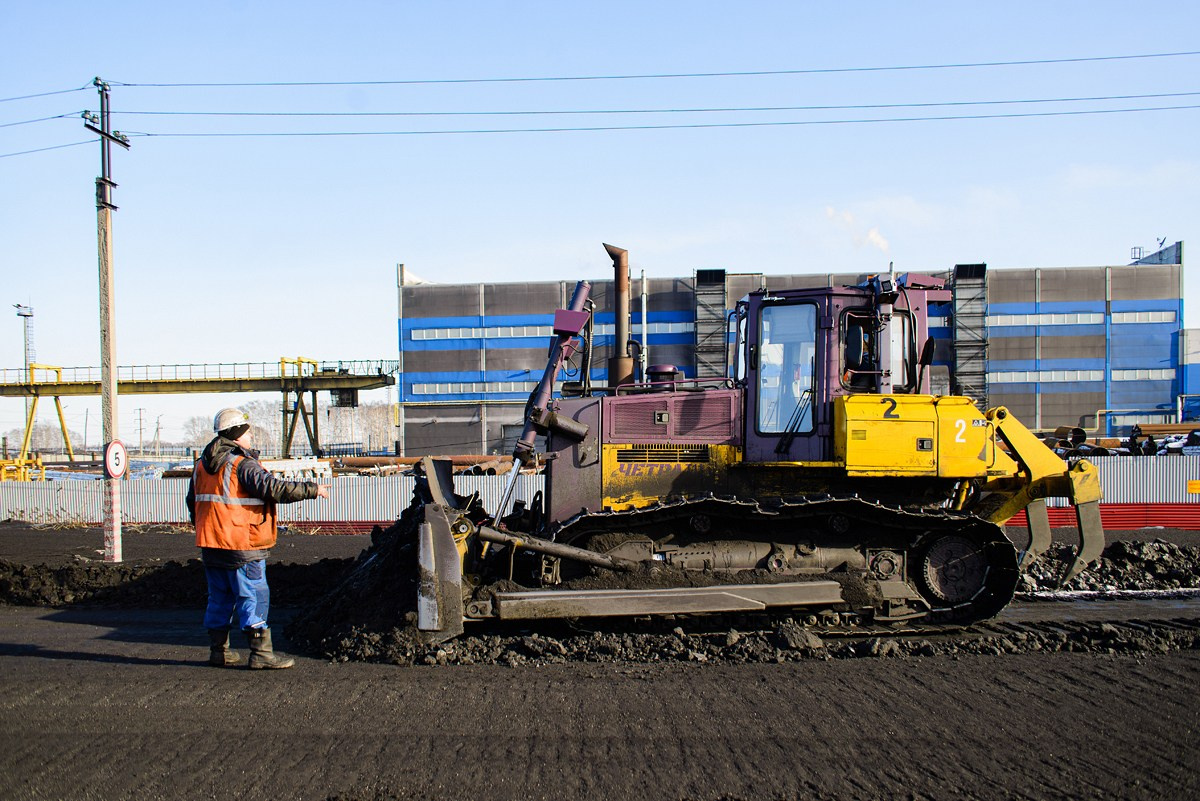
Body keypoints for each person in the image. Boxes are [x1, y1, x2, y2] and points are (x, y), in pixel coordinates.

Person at [186, 407, 330, 669]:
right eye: (248, 432)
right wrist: (313, 489)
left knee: (219, 598)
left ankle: (220, 652)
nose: (251, 437)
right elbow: (273, 489)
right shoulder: (242, 464)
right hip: (242, 544)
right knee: (253, 595)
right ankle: (261, 655)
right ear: (237, 434)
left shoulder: (200, 467)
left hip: (211, 544)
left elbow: (192, 503)